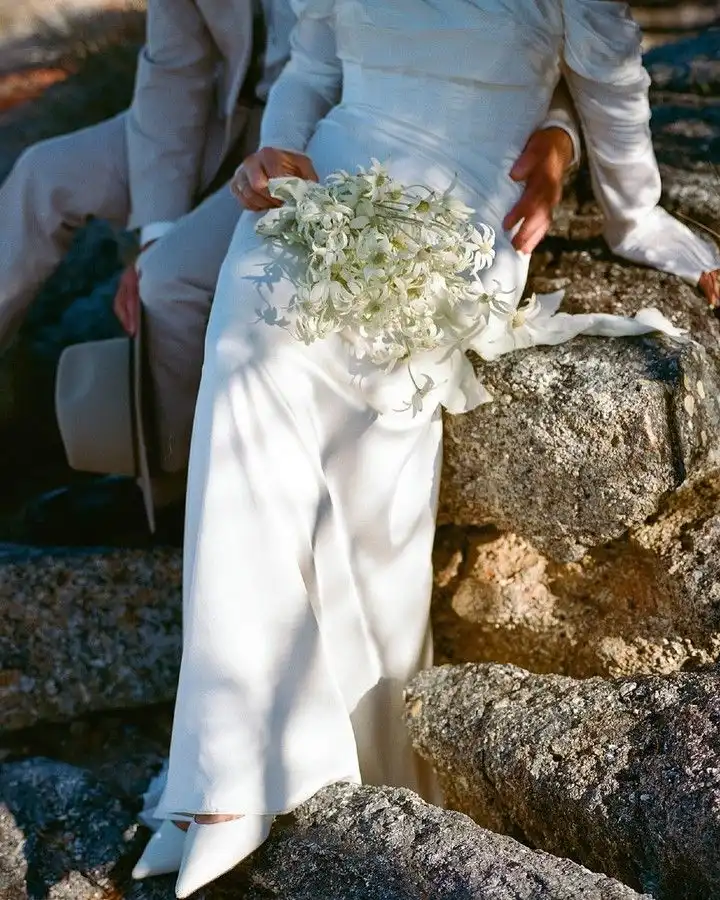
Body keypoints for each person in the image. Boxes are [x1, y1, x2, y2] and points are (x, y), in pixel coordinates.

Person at [137, 0, 720, 895]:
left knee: (378, 449)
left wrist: (637, 220)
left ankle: (353, 748)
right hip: (326, 174)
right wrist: (279, 152)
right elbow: (312, 67)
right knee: (246, 359)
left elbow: (610, 79)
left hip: (464, 195)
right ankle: (227, 772)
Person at [0, 0, 578, 542]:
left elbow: (520, 44)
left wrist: (560, 134)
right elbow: (175, 72)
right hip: (213, 129)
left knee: (179, 282)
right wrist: (155, 232)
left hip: (336, 137)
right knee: (41, 174)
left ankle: (169, 483)